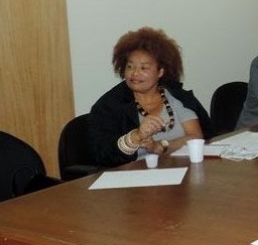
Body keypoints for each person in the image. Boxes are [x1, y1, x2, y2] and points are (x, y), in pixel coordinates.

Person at [89, 27, 213, 168]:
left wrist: (160, 146)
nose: (134, 73)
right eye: (130, 67)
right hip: (132, 180)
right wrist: (136, 136)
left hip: (181, 172)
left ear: (160, 71)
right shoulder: (109, 106)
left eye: (144, 68)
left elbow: (195, 137)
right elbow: (102, 154)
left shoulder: (176, 96)